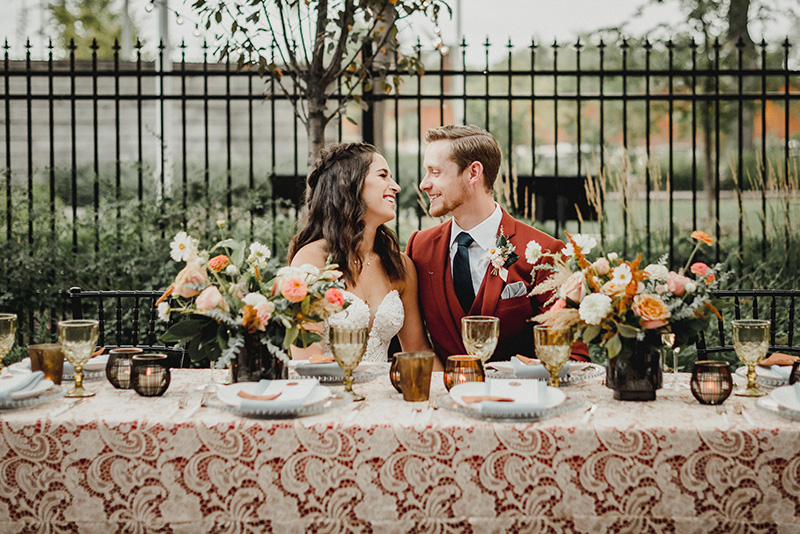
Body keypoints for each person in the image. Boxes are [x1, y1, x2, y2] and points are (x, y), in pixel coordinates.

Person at [406, 124, 588, 365]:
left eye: (435, 172)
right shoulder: (420, 248)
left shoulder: (543, 252)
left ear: (473, 173)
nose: (424, 184)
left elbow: (572, 356)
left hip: (518, 397)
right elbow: (409, 344)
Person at [288, 142, 431, 363]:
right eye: (383, 176)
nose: (396, 186)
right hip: (330, 393)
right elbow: (306, 361)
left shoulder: (400, 266)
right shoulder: (310, 261)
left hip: (385, 394)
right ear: (349, 184)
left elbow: (419, 351)